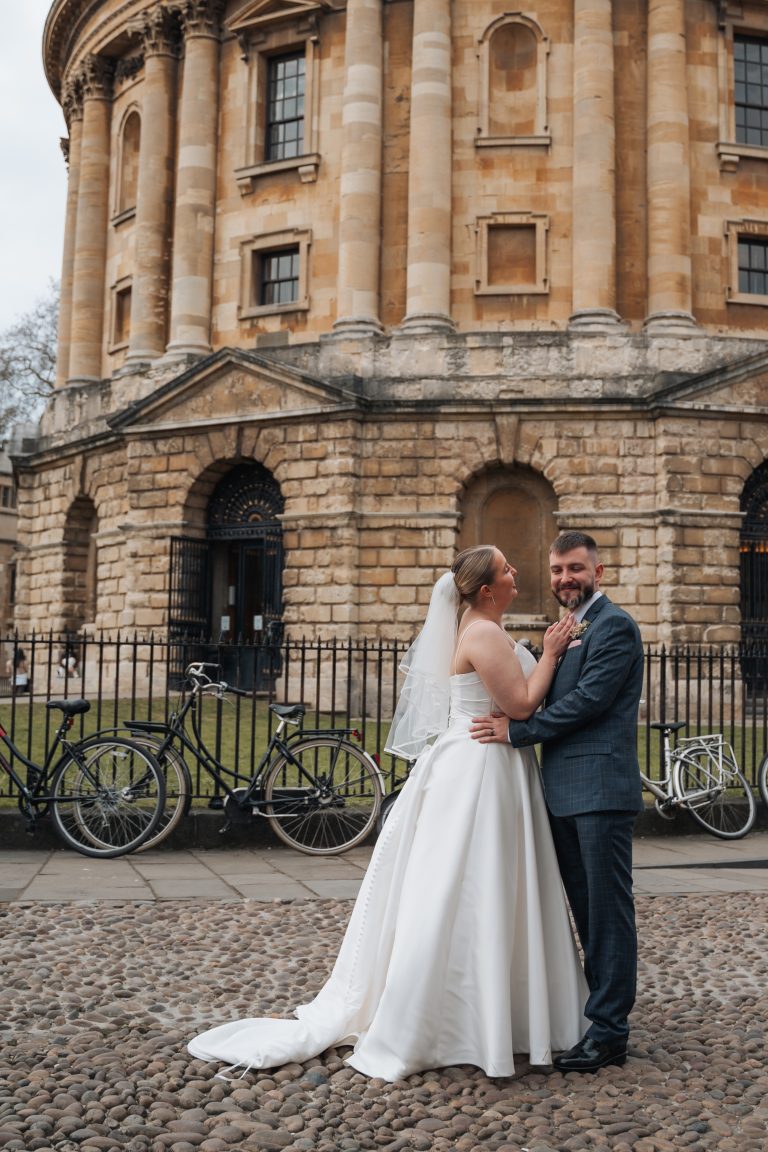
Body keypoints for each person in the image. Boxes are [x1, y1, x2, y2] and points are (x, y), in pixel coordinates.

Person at [189, 546, 589, 1082]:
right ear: (488, 590)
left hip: (478, 760)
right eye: (507, 570)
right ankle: (458, 1018)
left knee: (470, 886)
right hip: (480, 767)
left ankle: (487, 1012)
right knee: (474, 885)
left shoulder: (471, 627)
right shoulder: (485, 634)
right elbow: (519, 706)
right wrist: (551, 654)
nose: (517, 574)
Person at [470, 531, 644, 1073]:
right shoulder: (567, 629)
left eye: (575, 568)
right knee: (585, 912)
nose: (564, 578)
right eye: (556, 569)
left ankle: (611, 1032)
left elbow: (589, 702)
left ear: (599, 572)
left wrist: (517, 733)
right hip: (564, 792)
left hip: (599, 792)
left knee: (607, 915)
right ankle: (593, 1016)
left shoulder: (614, 626)